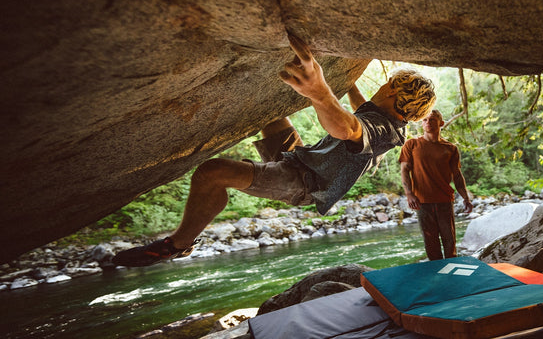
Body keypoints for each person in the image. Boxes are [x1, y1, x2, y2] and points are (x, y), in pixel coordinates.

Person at [112, 35, 436, 267]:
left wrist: (319, 91)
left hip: (302, 182)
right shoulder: (385, 115)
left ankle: (178, 245)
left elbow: (349, 128)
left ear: (393, 90)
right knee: (268, 108)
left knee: (212, 173)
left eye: (386, 83)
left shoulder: (384, 133)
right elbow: (359, 107)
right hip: (299, 157)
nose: (379, 87)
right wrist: (344, 80)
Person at [399, 110, 474, 260]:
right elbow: (404, 170)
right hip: (422, 201)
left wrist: (466, 197)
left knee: (449, 240)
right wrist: (409, 194)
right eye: (425, 120)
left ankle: (453, 271)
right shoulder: (412, 144)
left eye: (432, 119)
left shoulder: (451, 148)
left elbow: (457, 176)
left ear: (441, 123)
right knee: (430, 241)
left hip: (445, 200)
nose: (428, 123)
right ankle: (437, 273)